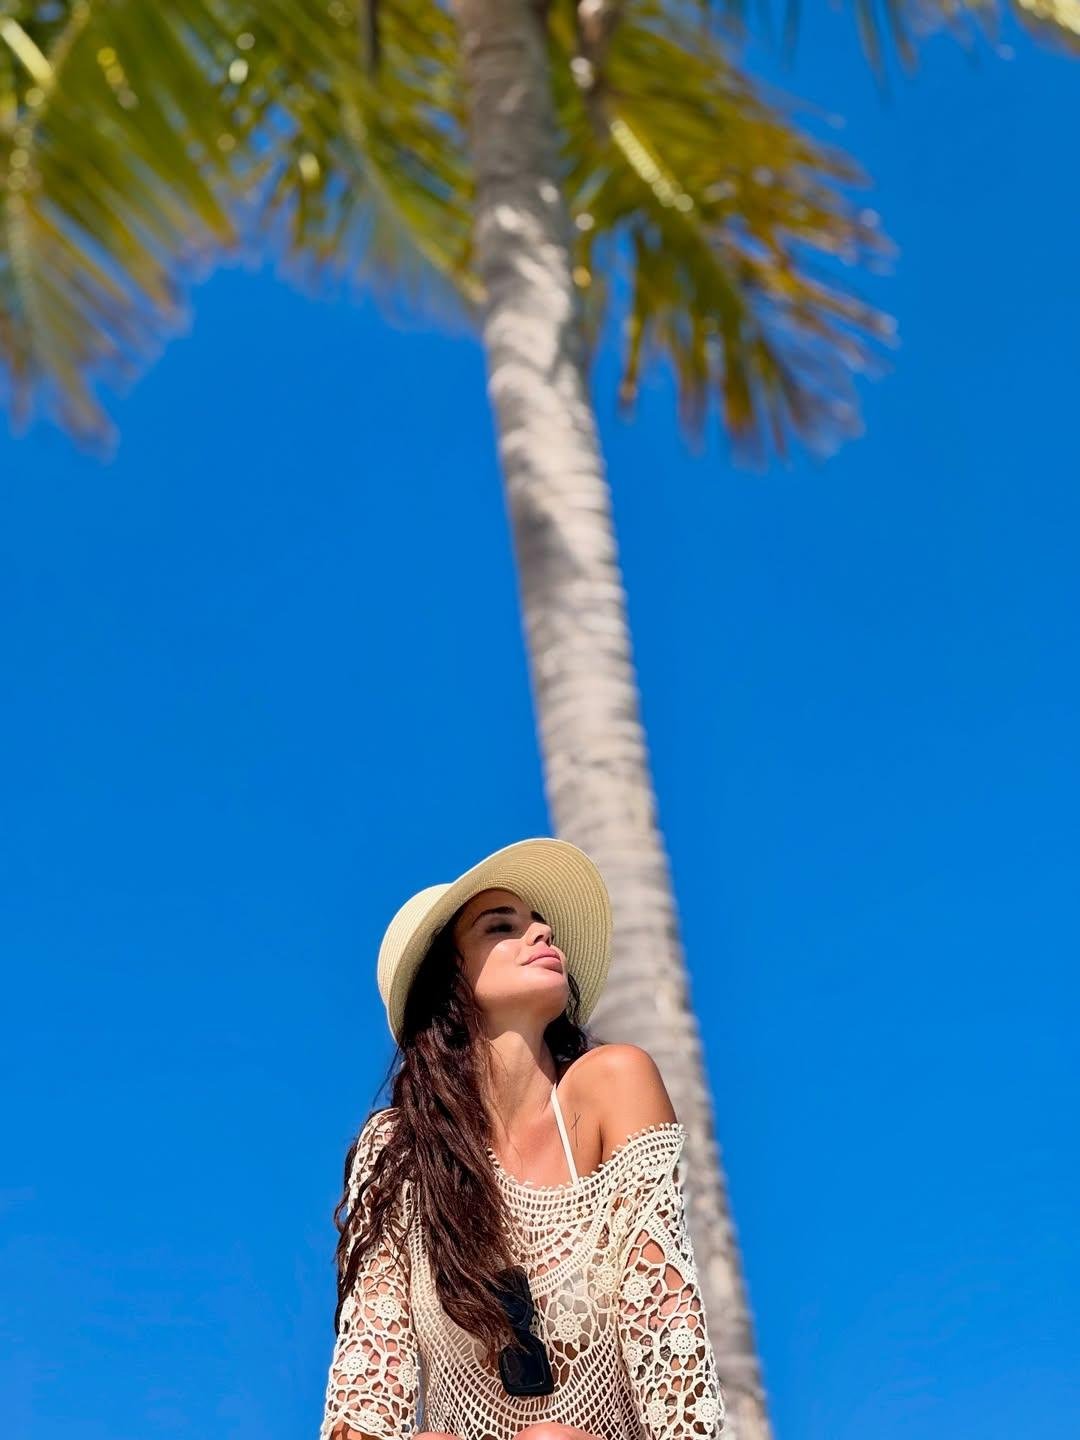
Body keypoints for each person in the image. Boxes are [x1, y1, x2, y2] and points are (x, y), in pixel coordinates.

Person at [318, 836, 726, 1440]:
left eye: (542, 923)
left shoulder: (613, 1086)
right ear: (450, 978)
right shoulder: (400, 1153)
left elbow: (671, 1343)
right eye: (501, 926)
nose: (542, 934)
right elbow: (367, 1386)